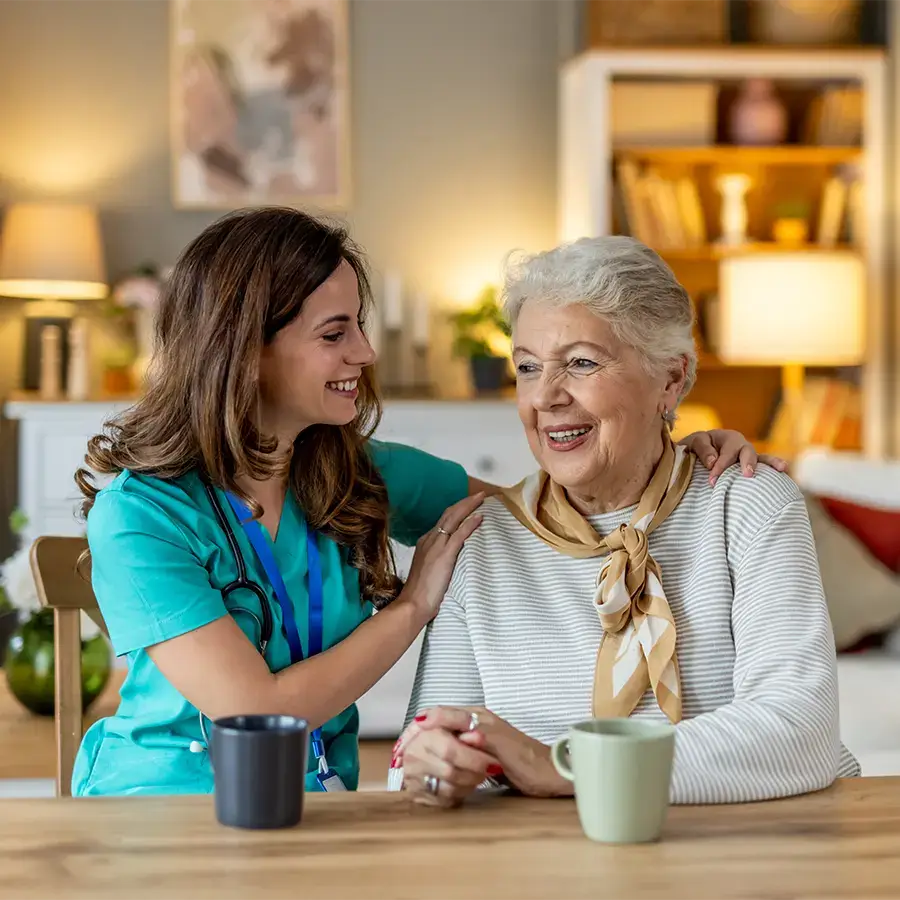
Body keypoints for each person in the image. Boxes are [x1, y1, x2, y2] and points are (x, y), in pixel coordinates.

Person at [72, 209, 777, 797]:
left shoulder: (358, 475)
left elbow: (561, 517)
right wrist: (412, 607)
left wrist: (675, 450)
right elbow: (254, 712)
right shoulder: (141, 516)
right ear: (246, 349)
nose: (367, 352)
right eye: (334, 333)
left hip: (320, 811)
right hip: (164, 811)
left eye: (359, 324)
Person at [393, 235, 860, 807]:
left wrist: (567, 767)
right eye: (528, 368)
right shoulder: (480, 543)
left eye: (582, 363)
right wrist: (435, 768)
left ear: (670, 379)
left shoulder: (749, 504)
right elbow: (417, 764)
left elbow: (800, 733)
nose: (545, 397)